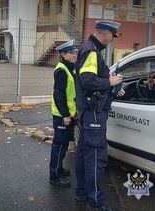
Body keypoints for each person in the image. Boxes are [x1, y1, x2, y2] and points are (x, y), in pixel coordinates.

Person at [74, 20, 125, 211]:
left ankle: (82, 192)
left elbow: (90, 78)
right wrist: (109, 82)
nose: (112, 40)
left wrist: (112, 87)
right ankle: (96, 202)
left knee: (84, 153)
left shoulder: (89, 49)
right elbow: (87, 80)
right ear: (105, 33)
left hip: (89, 111)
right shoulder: (92, 50)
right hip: (94, 112)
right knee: (96, 157)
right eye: (112, 36)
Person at [49, 39, 78, 187]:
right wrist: (65, 114)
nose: (74, 55)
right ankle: (54, 175)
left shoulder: (69, 67)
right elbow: (58, 95)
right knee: (59, 145)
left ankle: (59, 169)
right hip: (62, 115)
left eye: (74, 52)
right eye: (71, 53)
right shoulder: (61, 70)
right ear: (63, 54)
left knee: (64, 144)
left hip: (68, 114)